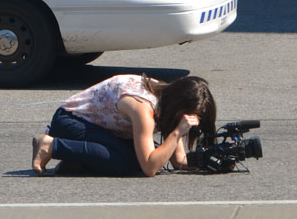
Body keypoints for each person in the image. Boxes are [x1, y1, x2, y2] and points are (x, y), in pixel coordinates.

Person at [31, 74, 217, 177]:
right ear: (178, 106)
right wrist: (177, 133)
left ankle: (78, 160)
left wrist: (214, 161)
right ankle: (50, 146)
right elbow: (150, 168)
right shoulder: (143, 107)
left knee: (145, 156)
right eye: (189, 117)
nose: (191, 123)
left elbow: (178, 161)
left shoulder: (169, 98)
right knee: (126, 162)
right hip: (69, 122)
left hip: (99, 129)